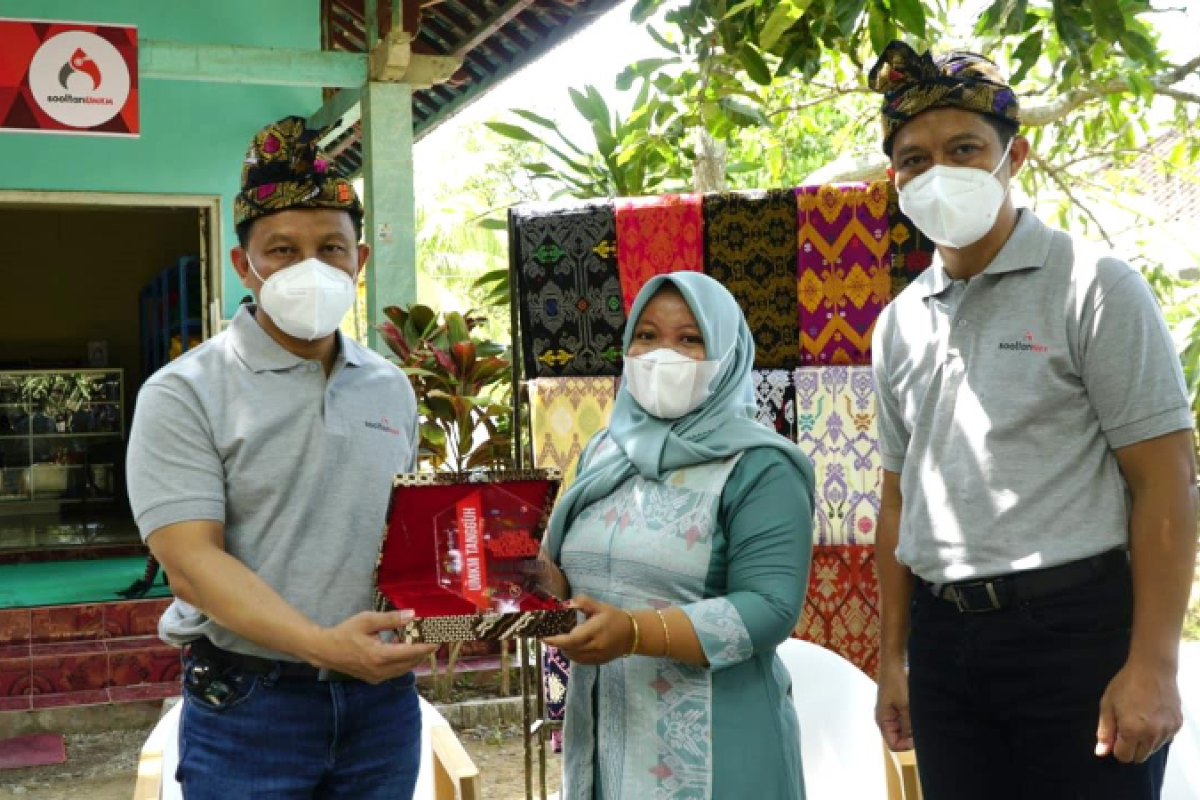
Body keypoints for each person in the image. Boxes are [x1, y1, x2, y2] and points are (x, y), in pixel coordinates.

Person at [867, 41, 1199, 800]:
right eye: (914, 159)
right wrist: (895, 657)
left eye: (963, 148)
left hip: (1077, 636)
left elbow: (1166, 481)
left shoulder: (1095, 287)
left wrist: (1154, 663)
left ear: (1013, 154)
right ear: (895, 178)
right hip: (945, 644)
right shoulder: (898, 324)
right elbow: (896, 499)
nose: (937, 171)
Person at [126, 116, 437, 799]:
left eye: (331, 247)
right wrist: (325, 646)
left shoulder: (388, 385)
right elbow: (193, 566)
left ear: (359, 260)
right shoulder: (184, 393)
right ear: (245, 264)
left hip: (380, 705)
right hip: (248, 705)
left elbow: (402, 535)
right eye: (283, 250)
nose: (311, 268)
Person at [536, 272, 816, 800]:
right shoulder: (605, 451)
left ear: (727, 356)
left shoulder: (761, 467)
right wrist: (492, 557)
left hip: (717, 755)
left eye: (690, 339)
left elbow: (769, 607)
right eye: (646, 335)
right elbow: (562, 581)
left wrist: (635, 632)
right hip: (607, 742)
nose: (663, 353)